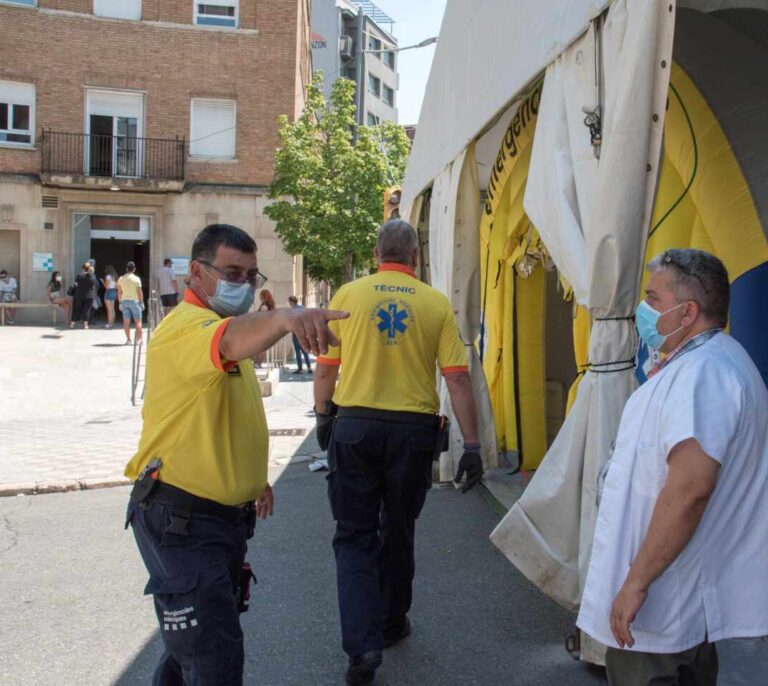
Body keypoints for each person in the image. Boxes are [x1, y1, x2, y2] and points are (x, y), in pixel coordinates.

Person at [124, 223, 347, 685]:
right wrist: (285, 318)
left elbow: (225, 417)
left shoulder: (221, 330)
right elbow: (229, 339)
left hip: (217, 519)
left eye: (250, 275)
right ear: (195, 274)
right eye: (231, 272)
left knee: (191, 651)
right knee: (213, 659)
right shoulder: (187, 328)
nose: (243, 284)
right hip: (182, 518)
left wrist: (252, 481)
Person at [577, 249, 768, 686]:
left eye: (653, 298)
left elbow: (690, 490)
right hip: (674, 600)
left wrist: (636, 583)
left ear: (689, 312)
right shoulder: (700, 366)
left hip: (663, 607)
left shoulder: (704, 374)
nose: (643, 311)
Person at [313, 220, 484, 685]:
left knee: (353, 535)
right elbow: (457, 378)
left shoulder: (348, 296)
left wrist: (323, 416)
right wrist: (472, 444)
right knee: (399, 526)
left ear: (375, 253)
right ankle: (391, 621)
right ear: (415, 257)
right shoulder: (434, 303)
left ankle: (362, 647)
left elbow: (327, 367)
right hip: (412, 432)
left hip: (356, 426)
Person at [118, 262, 144, 345]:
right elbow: (140, 292)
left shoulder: (121, 279)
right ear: (134, 269)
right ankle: (139, 339)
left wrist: (120, 303)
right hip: (134, 301)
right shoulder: (137, 279)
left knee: (126, 322)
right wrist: (142, 302)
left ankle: (128, 339)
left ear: (126, 269)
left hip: (124, 301)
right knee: (138, 321)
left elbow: (119, 292)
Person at [70, 262, 98, 329]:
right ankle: (85, 325)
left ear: (83, 268)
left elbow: (76, 285)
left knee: (76, 309)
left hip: (78, 295)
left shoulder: (79, 276)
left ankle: (72, 324)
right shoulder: (92, 276)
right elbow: (94, 286)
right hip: (89, 295)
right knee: (87, 310)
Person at [288, 295, 312, 374]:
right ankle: (309, 367)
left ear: (291, 302)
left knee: (298, 351)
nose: (289, 303)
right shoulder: (302, 307)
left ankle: (300, 369)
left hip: (295, 332)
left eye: (289, 302)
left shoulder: (292, 311)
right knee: (305, 350)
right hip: (303, 331)